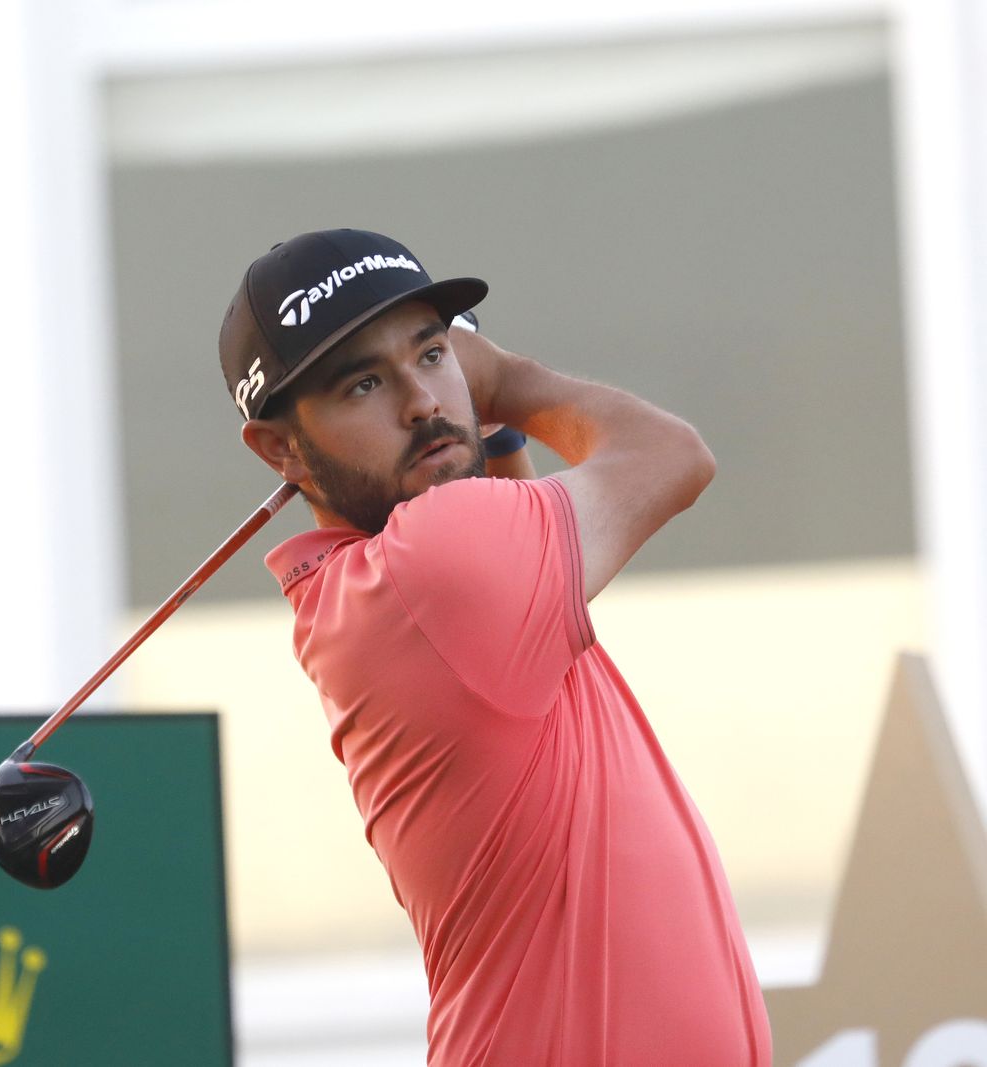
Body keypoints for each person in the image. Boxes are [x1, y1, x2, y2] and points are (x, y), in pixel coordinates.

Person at [218, 228, 771, 1066]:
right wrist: (502, 378)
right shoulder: (435, 565)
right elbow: (673, 455)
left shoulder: (385, 587)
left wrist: (479, 420)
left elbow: (497, 490)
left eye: (431, 354)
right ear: (280, 448)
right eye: (363, 382)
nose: (421, 402)